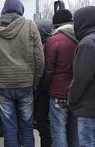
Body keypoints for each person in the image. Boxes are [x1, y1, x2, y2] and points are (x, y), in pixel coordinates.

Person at [0, 0, 44, 147]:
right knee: (27, 127)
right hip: (25, 84)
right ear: (20, 11)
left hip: (2, 86)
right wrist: (34, 80)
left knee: (9, 128)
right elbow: (40, 59)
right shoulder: (30, 26)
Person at [67, 6, 95, 147]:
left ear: (83, 22)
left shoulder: (88, 43)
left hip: (89, 110)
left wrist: (71, 100)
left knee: (88, 143)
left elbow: (82, 78)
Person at [44, 9, 79, 147]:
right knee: (74, 131)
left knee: (58, 131)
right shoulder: (81, 37)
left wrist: (46, 87)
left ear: (55, 26)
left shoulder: (53, 40)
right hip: (76, 92)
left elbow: (48, 70)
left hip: (58, 93)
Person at [34, 19, 54, 147]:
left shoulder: (44, 47)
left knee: (44, 126)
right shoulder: (50, 43)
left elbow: (44, 71)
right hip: (51, 91)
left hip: (44, 91)